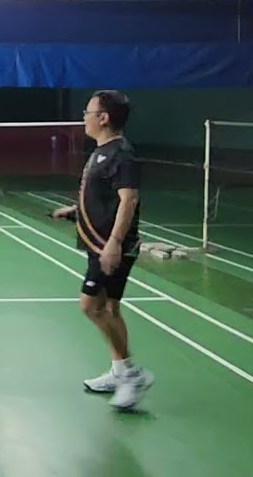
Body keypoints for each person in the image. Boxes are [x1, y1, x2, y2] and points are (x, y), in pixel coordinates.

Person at [49, 89, 152, 411]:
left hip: (109, 247)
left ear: (104, 118)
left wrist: (114, 244)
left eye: (88, 113)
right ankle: (119, 371)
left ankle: (131, 374)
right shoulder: (102, 152)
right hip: (102, 243)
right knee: (109, 308)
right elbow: (103, 197)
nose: (84, 118)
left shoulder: (122, 154)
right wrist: (75, 211)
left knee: (90, 306)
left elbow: (128, 200)